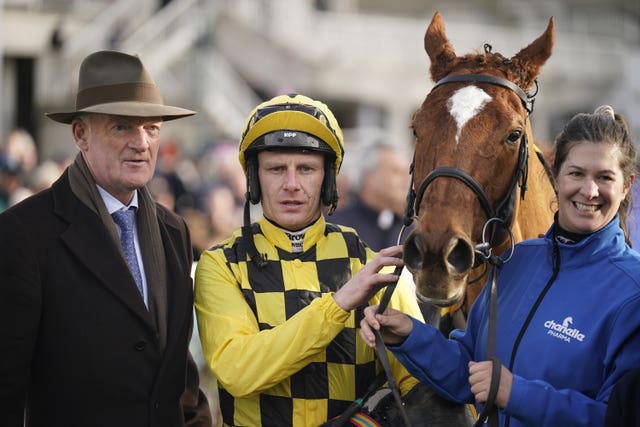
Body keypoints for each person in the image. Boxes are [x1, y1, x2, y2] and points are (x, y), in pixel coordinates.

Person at [357, 105, 640, 426]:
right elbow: (469, 373)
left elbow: (621, 417)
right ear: (556, 176)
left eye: (604, 177)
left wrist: (515, 393)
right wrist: (409, 336)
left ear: (626, 184)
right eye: (577, 173)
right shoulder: (515, 261)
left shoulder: (633, 291)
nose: (589, 190)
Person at [0, 50, 212, 426]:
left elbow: (180, 378)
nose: (142, 142)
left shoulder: (173, 231)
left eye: (152, 127)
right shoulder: (24, 233)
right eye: (122, 127)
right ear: (81, 134)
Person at [194, 94, 426, 427]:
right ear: (255, 181)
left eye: (306, 169)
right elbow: (238, 371)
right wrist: (338, 305)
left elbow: (419, 383)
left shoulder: (370, 263)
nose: (291, 184)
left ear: (328, 180)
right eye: (276, 169)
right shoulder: (221, 265)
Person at [330, 141, 412, 251]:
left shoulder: (410, 230)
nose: (406, 181)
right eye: (396, 172)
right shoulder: (335, 229)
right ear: (368, 177)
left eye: (407, 173)